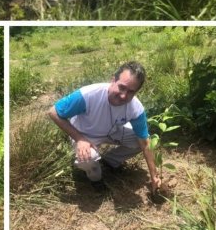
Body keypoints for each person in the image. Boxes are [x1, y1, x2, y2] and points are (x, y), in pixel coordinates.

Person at [47, 61, 160, 193]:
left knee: (139, 142)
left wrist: (154, 176)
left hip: (112, 130)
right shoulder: (89, 95)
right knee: (88, 159)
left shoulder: (135, 108)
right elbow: (53, 112)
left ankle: (109, 161)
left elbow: (145, 143)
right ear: (113, 80)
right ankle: (96, 180)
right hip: (85, 133)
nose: (124, 95)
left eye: (130, 92)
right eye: (121, 87)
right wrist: (79, 139)